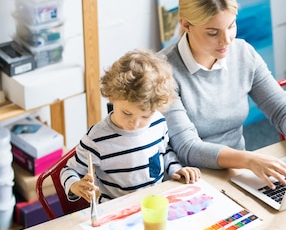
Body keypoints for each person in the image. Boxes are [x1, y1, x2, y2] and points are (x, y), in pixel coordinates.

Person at [159, 0, 286, 189]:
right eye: (213, 32)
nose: (227, 39)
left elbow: (282, 107)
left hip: (237, 173)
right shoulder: (161, 72)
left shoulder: (242, 52)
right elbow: (188, 148)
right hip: (188, 181)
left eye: (231, 26)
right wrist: (249, 160)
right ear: (185, 24)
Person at [61, 49, 201, 203]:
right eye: (127, 113)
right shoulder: (96, 139)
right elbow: (69, 170)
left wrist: (176, 169)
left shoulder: (158, 123)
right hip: (116, 212)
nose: (134, 124)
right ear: (112, 96)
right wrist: (75, 185)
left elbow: (164, 151)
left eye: (145, 116)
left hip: (152, 205)